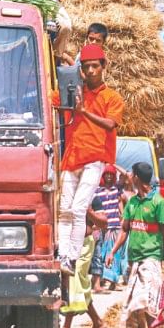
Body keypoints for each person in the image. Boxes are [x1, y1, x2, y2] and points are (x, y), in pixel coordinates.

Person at [57, 44, 124, 277]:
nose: (91, 71)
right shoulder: (74, 91)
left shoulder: (112, 97)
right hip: (71, 158)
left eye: (95, 66)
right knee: (64, 210)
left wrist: (84, 111)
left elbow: (110, 124)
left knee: (78, 209)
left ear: (103, 66)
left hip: (95, 159)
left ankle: (72, 258)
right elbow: (50, 98)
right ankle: (62, 256)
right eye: (86, 67)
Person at [106, 162, 164, 328]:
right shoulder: (132, 202)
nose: (129, 176)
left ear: (137, 177)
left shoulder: (158, 202)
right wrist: (112, 252)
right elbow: (124, 230)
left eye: (131, 173)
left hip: (151, 257)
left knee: (146, 298)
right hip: (134, 259)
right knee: (135, 298)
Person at [59, 196, 108, 328]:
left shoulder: (92, 197)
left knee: (74, 282)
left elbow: (103, 222)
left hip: (84, 244)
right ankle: (98, 323)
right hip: (66, 245)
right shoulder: (64, 195)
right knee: (76, 284)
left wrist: (88, 211)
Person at [93, 164, 128, 292]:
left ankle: (114, 281)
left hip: (115, 226)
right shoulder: (97, 190)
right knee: (101, 255)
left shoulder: (116, 189)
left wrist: (113, 164)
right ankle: (102, 280)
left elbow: (126, 175)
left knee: (115, 254)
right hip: (102, 227)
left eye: (111, 174)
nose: (108, 176)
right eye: (106, 174)